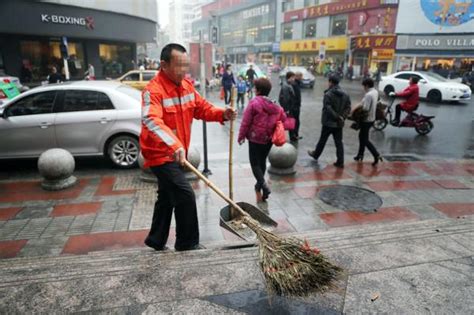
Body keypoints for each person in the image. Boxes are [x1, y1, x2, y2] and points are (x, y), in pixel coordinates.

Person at [140, 43, 236, 252]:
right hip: (160, 154)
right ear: (163, 65)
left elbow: (202, 108)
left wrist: (222, 113)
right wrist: (174, 144)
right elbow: (151, 119)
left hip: (176, 153)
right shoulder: (153, 90)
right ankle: (187, 243)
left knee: (166, 196)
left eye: (186, 66)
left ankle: (156, 239)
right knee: (184, 194)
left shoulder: (186, 86)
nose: (183, 71)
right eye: (178, 66)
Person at [238, 78, 287, 201]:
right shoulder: (275, 105)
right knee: (262, 162)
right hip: (268, 139)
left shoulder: (254, 103)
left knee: (255, 164)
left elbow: (245, 122)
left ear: (258, 90)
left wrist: (241, 136)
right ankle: (259, 185)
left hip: (255, 138)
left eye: (255, 88)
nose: (254, 89)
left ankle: (264, 186)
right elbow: (284, 118)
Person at [308, 75, 351, 168]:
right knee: (339, 142)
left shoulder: (328, 94)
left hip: (328, 122)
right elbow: (348, 107)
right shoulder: (345, 94)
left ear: (331, 82)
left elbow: (328, 108)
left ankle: (316, 155)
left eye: (329, 82)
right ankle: (340, 161)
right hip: (339, 123)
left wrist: (337, 117)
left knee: (322, 140)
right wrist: (342, 117)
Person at [351, 78, 382, 166]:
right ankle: (360, 155)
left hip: (366, 120)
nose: (363, 88)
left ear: (367, 85)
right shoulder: (375, 92)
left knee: (364, 140)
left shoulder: (369, 95)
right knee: (362, 137)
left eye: (364, 86)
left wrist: (355, 110)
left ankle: (376, 155)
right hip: (372, 119)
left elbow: (365, 109)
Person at [289, 71, 303, 142]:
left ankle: (295, 135)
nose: (302, 78)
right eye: (301, 76)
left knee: (297, 121)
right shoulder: (294, 84)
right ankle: (293, 135)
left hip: (297, 106)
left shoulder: (297, 84)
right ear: (297, 77)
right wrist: (294, 105)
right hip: (294, 107)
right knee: (294, 121)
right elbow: (293, 96)